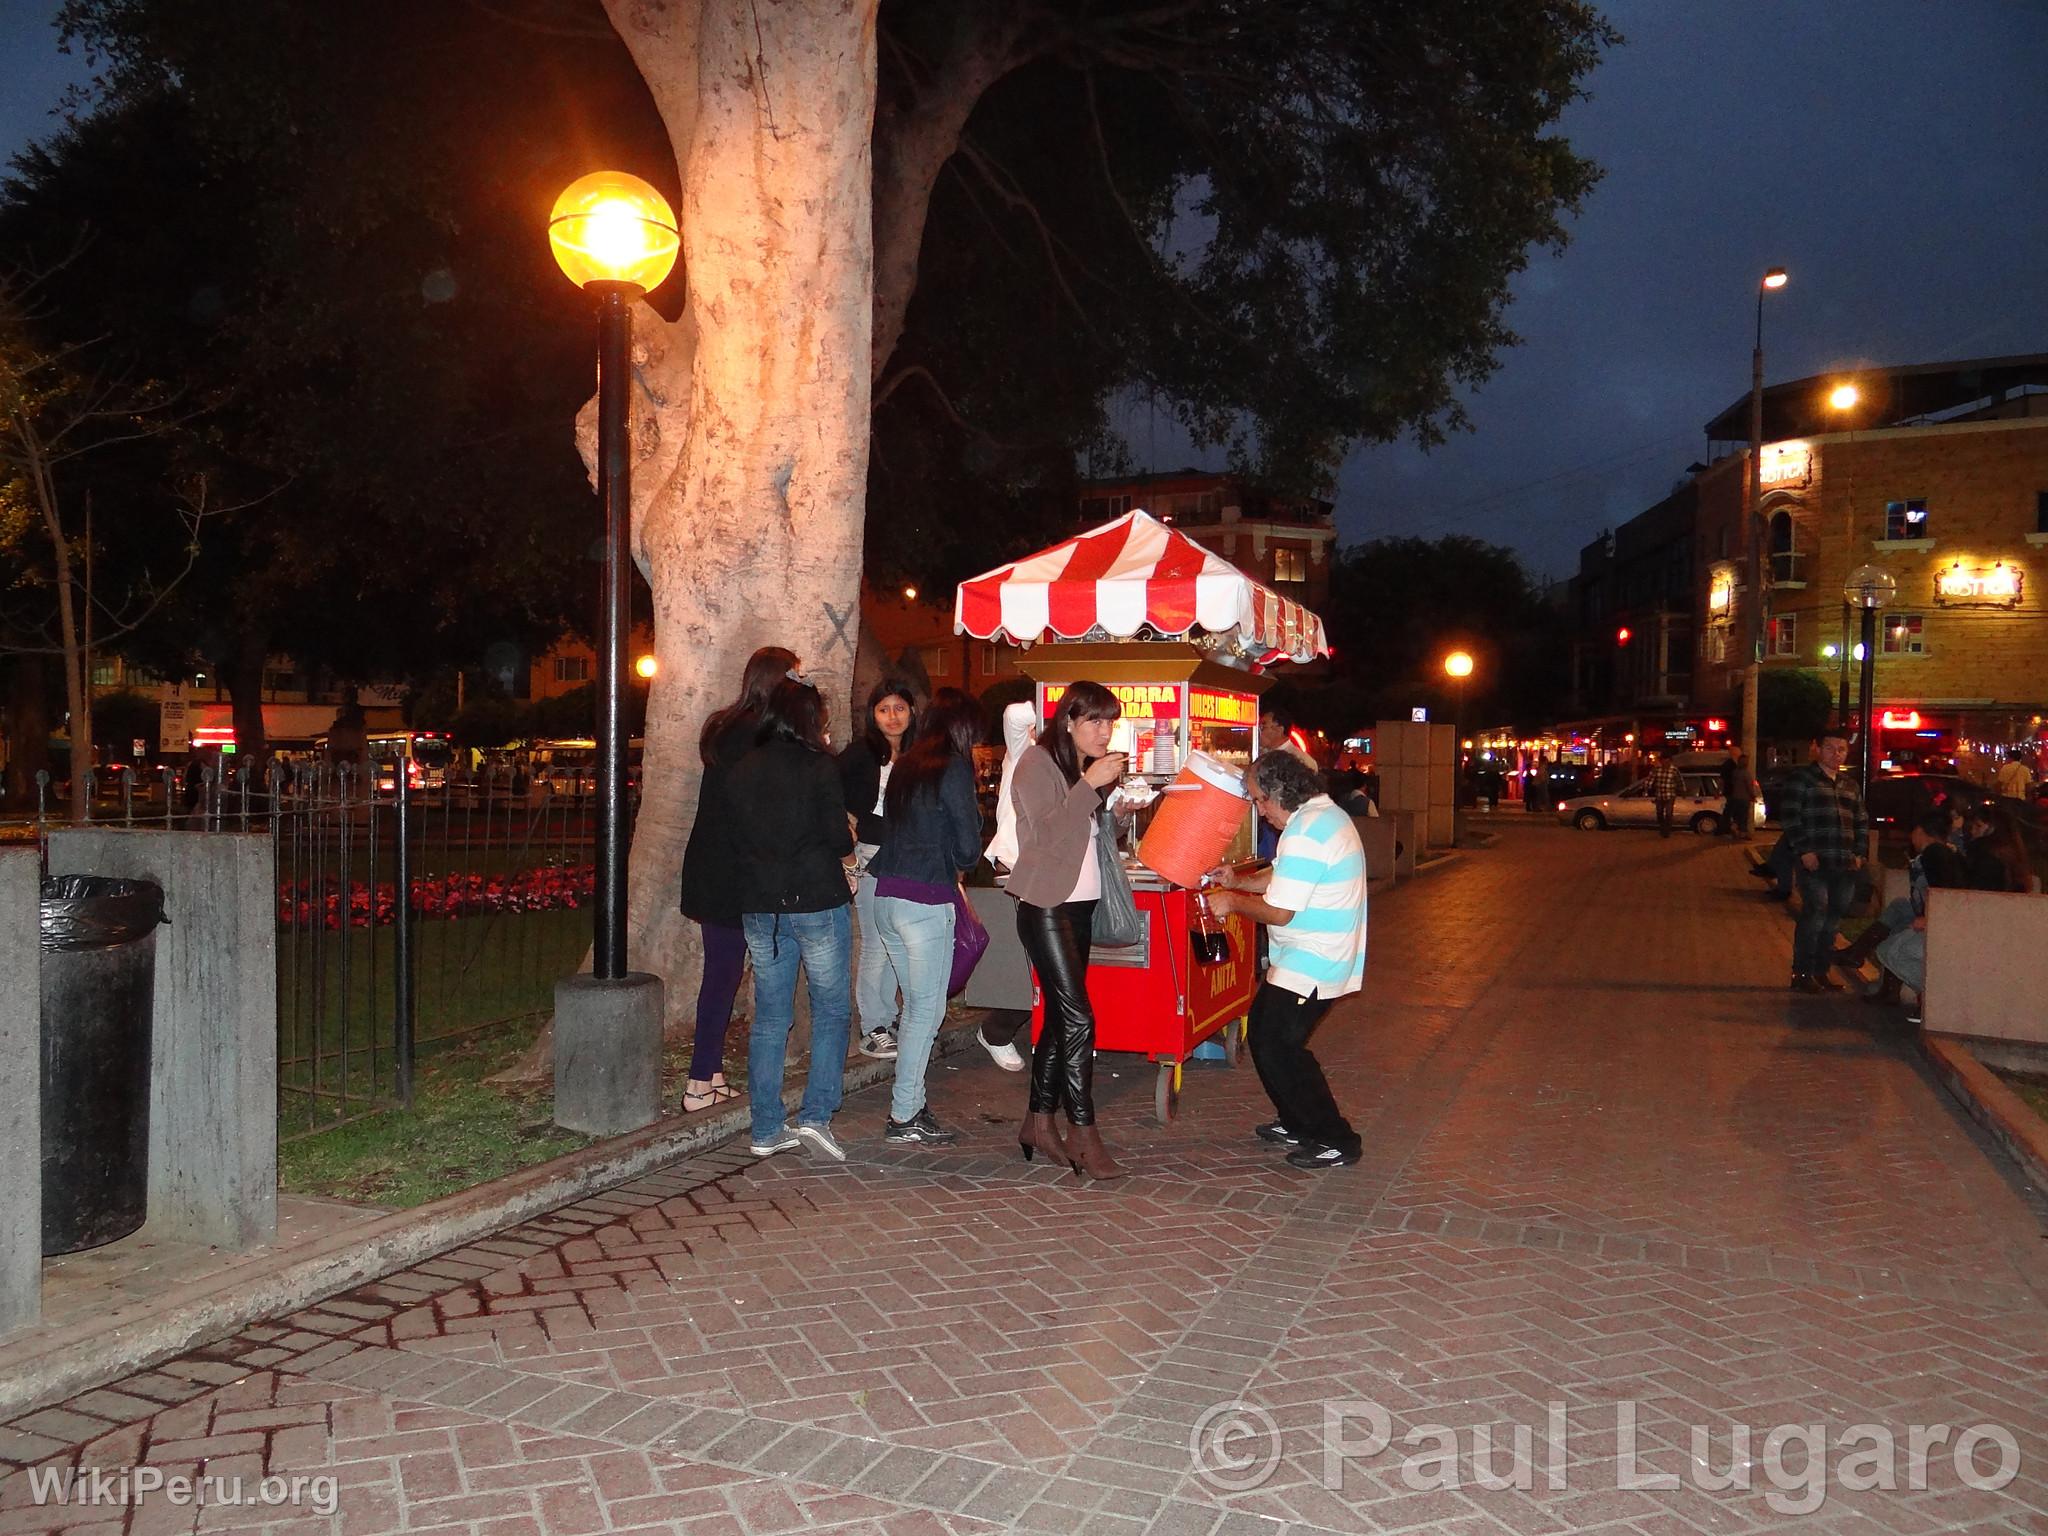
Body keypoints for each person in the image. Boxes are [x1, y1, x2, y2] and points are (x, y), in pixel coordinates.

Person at [1206, 751, 1367, 1170]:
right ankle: (1297, 1121)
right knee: (1267, 1036)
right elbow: (1282, 875)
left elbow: (1279, 912)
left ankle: (1336, 1139)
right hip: (1308, 955)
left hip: (1314, 958)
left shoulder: (1307, 831)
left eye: (1260, 800)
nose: (1260, 811)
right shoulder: (1316, 818)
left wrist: (1232, 901)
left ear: (1280, 792)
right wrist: (1240, 880)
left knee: (1280, 1045)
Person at [726, 674, 854, 1162]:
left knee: (770, 1016)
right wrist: (847, 854)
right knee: (831, 1009)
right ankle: (816, 1115)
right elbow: (837, 837)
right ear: (809, 719)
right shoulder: (819, 766)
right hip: (816, 897)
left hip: (762, 904)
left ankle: (765, 1126)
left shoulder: (743, 767)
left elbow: (736, 836)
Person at [1007, 680, 1128, 1179]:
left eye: (1109, 722)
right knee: (1079, 1019)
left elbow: (1086, 835)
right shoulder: (1036, 763)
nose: (1105, 731)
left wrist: (1116, 808)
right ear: (1069, 721)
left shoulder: (1081, 769)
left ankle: (1038, 1124)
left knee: (1061, 1020)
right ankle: (1083, 1131)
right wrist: (1090, 783)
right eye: (1095, 721)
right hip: (1045, 905)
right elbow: (1045, 834)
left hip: (1080, 905)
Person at [677, 645, 796, 1115]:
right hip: (734, 874)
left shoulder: (727, 727)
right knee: (722, 976)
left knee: (723, 975)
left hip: (716, 868)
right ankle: (697, 1082)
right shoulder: (757, 735)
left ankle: (711, 1074)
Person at [868, 689, 985, 1145]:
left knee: (915, 1008)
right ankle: (905, 1113)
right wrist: (962, 856)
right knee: (923, 1012)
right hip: (925, 900)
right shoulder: (952, 768)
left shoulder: (908, 764)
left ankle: (910, 1106)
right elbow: (968, 845)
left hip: (887, 895)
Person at [838, 679, 918, 1062]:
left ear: (912, 711)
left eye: (899, 708)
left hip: (911, 857)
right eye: (884, 709)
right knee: (876, 942)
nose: (892, 717)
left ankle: (893, 1017)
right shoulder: (860, 754)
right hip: (870, 854)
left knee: (901, 940)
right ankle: (873, 1026)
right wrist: (847, 844)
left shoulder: (920, 752)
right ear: (873, 714)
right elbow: (835, 799)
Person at [975, 700, 1041, 1071]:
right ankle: (996, 1031)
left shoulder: (1070, 763)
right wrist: (1053, 707)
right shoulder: (1024, 750)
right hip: (1016, 869)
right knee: (1023, 963)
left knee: (1048, 961)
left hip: (1050, 873)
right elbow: (1014, 715)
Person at [1783, 730, 1869, 994]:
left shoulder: (1849, 785)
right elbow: (1790, 817)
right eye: (1830, 748)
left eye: (1841, 749)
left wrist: (1859, 853)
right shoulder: (1802, 779)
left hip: (1844, 863)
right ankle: (1802, 973)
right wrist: (1803, 851)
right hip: (1815, 862)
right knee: (1815, 913)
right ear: (1818, 749)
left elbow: (1861, 821)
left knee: (1833, 919)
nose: (1836, 754)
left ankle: (1821, 971)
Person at [1856, 811, 1969, 1007]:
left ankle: (1930, 996)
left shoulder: (1934, 853)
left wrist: (1929, 917)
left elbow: (1944, 890)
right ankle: (1863, 961)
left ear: (1920, 831)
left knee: (1888, 949)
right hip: (1933, 914)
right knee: (1899, 910)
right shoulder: (1941, 852)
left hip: (1937, 918)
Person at [1964, 802, 2033, 893]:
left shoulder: (1986, 858)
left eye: (1978, 826)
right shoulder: (2013, 856)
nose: (1972, 831)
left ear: (1992, 830)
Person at [1720, 747, 1754, 840]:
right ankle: (1740, 832)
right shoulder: (1745, 773)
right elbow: (1748, 786)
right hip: (1743, 797)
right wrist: (1752, 795)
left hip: (1734, 795)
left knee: (1734, 813)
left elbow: (1723, 781)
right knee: (1743, 815)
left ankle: (1733, 828)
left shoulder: (1735, 772)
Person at [1647, 753, 1681, 838]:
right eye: (1664, 761)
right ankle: (1662, 827)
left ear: (1670, 761)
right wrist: (1647, 787)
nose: (1665, 763)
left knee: (1669, 814)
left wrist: (1682, 790)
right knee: (1659, 813)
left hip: (1670, 795)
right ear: (1661, 761)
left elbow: (1679, 780)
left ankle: (1667, 831)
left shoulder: (1674, 770)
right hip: (1659, 795)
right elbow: (1650, 779)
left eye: (1667, 761)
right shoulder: (1656, 769)